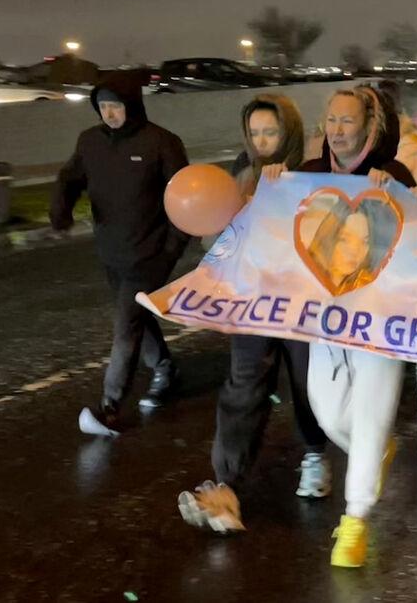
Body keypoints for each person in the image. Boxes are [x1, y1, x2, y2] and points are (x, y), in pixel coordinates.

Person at [177, 94, 331, 536]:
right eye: (256, 132)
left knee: (307, 387)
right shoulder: (239, 174)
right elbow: (216, 242)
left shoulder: (315, 173)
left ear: (289, 132)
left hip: (301, 306)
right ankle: (227, 485)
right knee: (243, 387)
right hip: (252, 304)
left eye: (272, 132)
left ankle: (316, 456)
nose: (263, 141)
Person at [281, 86, 416, 569]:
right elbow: (277, 225)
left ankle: (354, 521)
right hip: (325, 318)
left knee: (371, 412)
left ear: (369, 127)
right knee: (330, 412)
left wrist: (399, 193)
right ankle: (374, 448)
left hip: (382, 321)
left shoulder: (391, 174)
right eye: (331, 121)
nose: (338, 131)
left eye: (348, 121)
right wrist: (274, 184)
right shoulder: (307, 176)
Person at [51, 74, 190, 435]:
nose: (110, 113)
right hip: (111, 250)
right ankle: (164, 368)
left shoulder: (162, 143)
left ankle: (109, 408)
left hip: (150, 253)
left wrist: (171, 249)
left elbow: (186, 199)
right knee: (136, 317)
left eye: (116, 105)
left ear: (133, 104)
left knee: (126, 326)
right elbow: (69, 178)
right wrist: (60, 208)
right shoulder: (90, 142)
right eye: (103, 106)